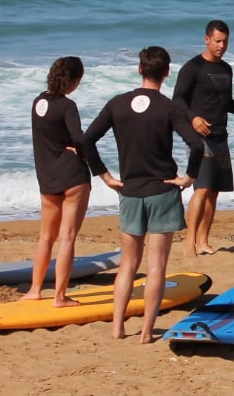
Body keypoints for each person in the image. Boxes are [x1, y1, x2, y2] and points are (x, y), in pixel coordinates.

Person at [82, 47, 205, 342]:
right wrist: (188, 178)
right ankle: (147, 331)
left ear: (139, 69)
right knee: (156, 266)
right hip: (162, 190)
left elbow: (86, 140)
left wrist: (106, 177)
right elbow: (197, 145)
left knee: (128, 263)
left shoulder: (118, 104)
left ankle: (117, 327)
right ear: (166, 72)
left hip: (130, 190)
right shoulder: (169, 107)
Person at [23, 56, 102, 307]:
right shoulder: (68, 106)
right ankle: (59, 296)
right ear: (74, 80)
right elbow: (79, 138)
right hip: (72, 176)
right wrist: (82, 153)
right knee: (67, 237)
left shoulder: (38, 103)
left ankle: (35, 289)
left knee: (45, 236)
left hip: (47, 177)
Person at [173, 20, 234, 256]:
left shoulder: (226, 69)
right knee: (202, 188)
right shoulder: (192, 68)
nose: (222, 46)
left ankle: (203, 241)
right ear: (206, 39)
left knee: (214, 191)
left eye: (225, 42)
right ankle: (189, 242)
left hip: (220, 135)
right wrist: (193, 118)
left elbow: (225, 102)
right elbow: (177, 100)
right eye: (217, 41)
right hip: (200, 138)